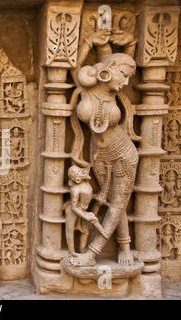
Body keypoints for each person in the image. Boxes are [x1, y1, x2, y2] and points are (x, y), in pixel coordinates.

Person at [69, 29, 138, 267]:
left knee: (119, 202)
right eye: (124, 74)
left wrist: (130, 43)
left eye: (129, 76)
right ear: (109, 71)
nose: (126, 81)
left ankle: (93, 253)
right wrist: (89, 42)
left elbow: (129, 61)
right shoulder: (86, 87)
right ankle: (124, 245)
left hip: (123, 152)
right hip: (97, 153)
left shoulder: (114, 95)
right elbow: (72, 68)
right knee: (113, 202)